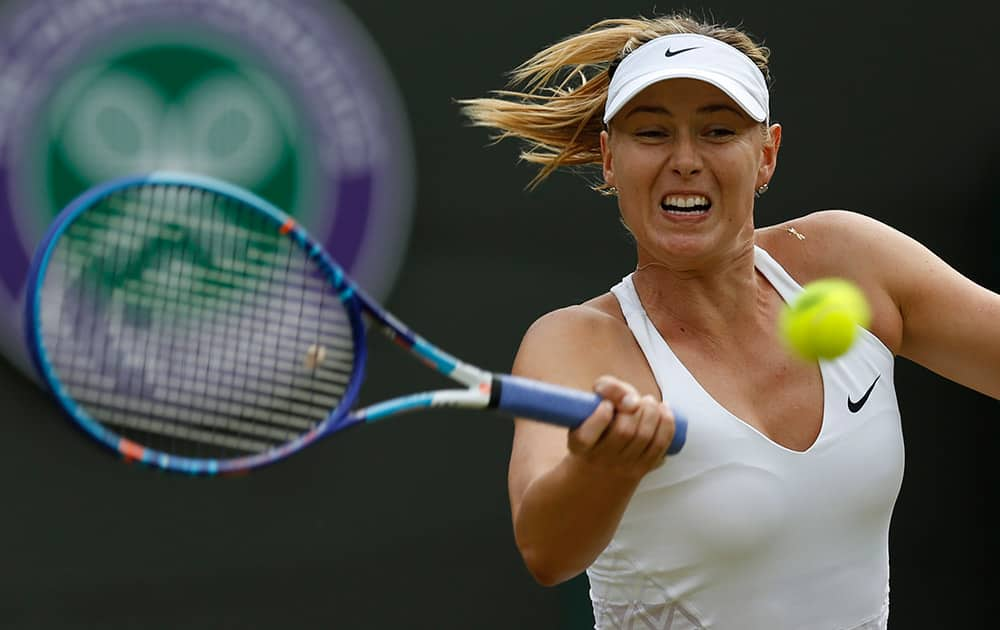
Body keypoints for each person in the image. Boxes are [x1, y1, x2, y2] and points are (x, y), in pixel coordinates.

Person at [459, 12, 1000, 630]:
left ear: (765, 154)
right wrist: (600, 469)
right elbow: (546, 551)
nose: (685, 159)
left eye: (718, 131)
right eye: (652, 133)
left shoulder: (849, 262)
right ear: (610, 159)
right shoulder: (575, 343)